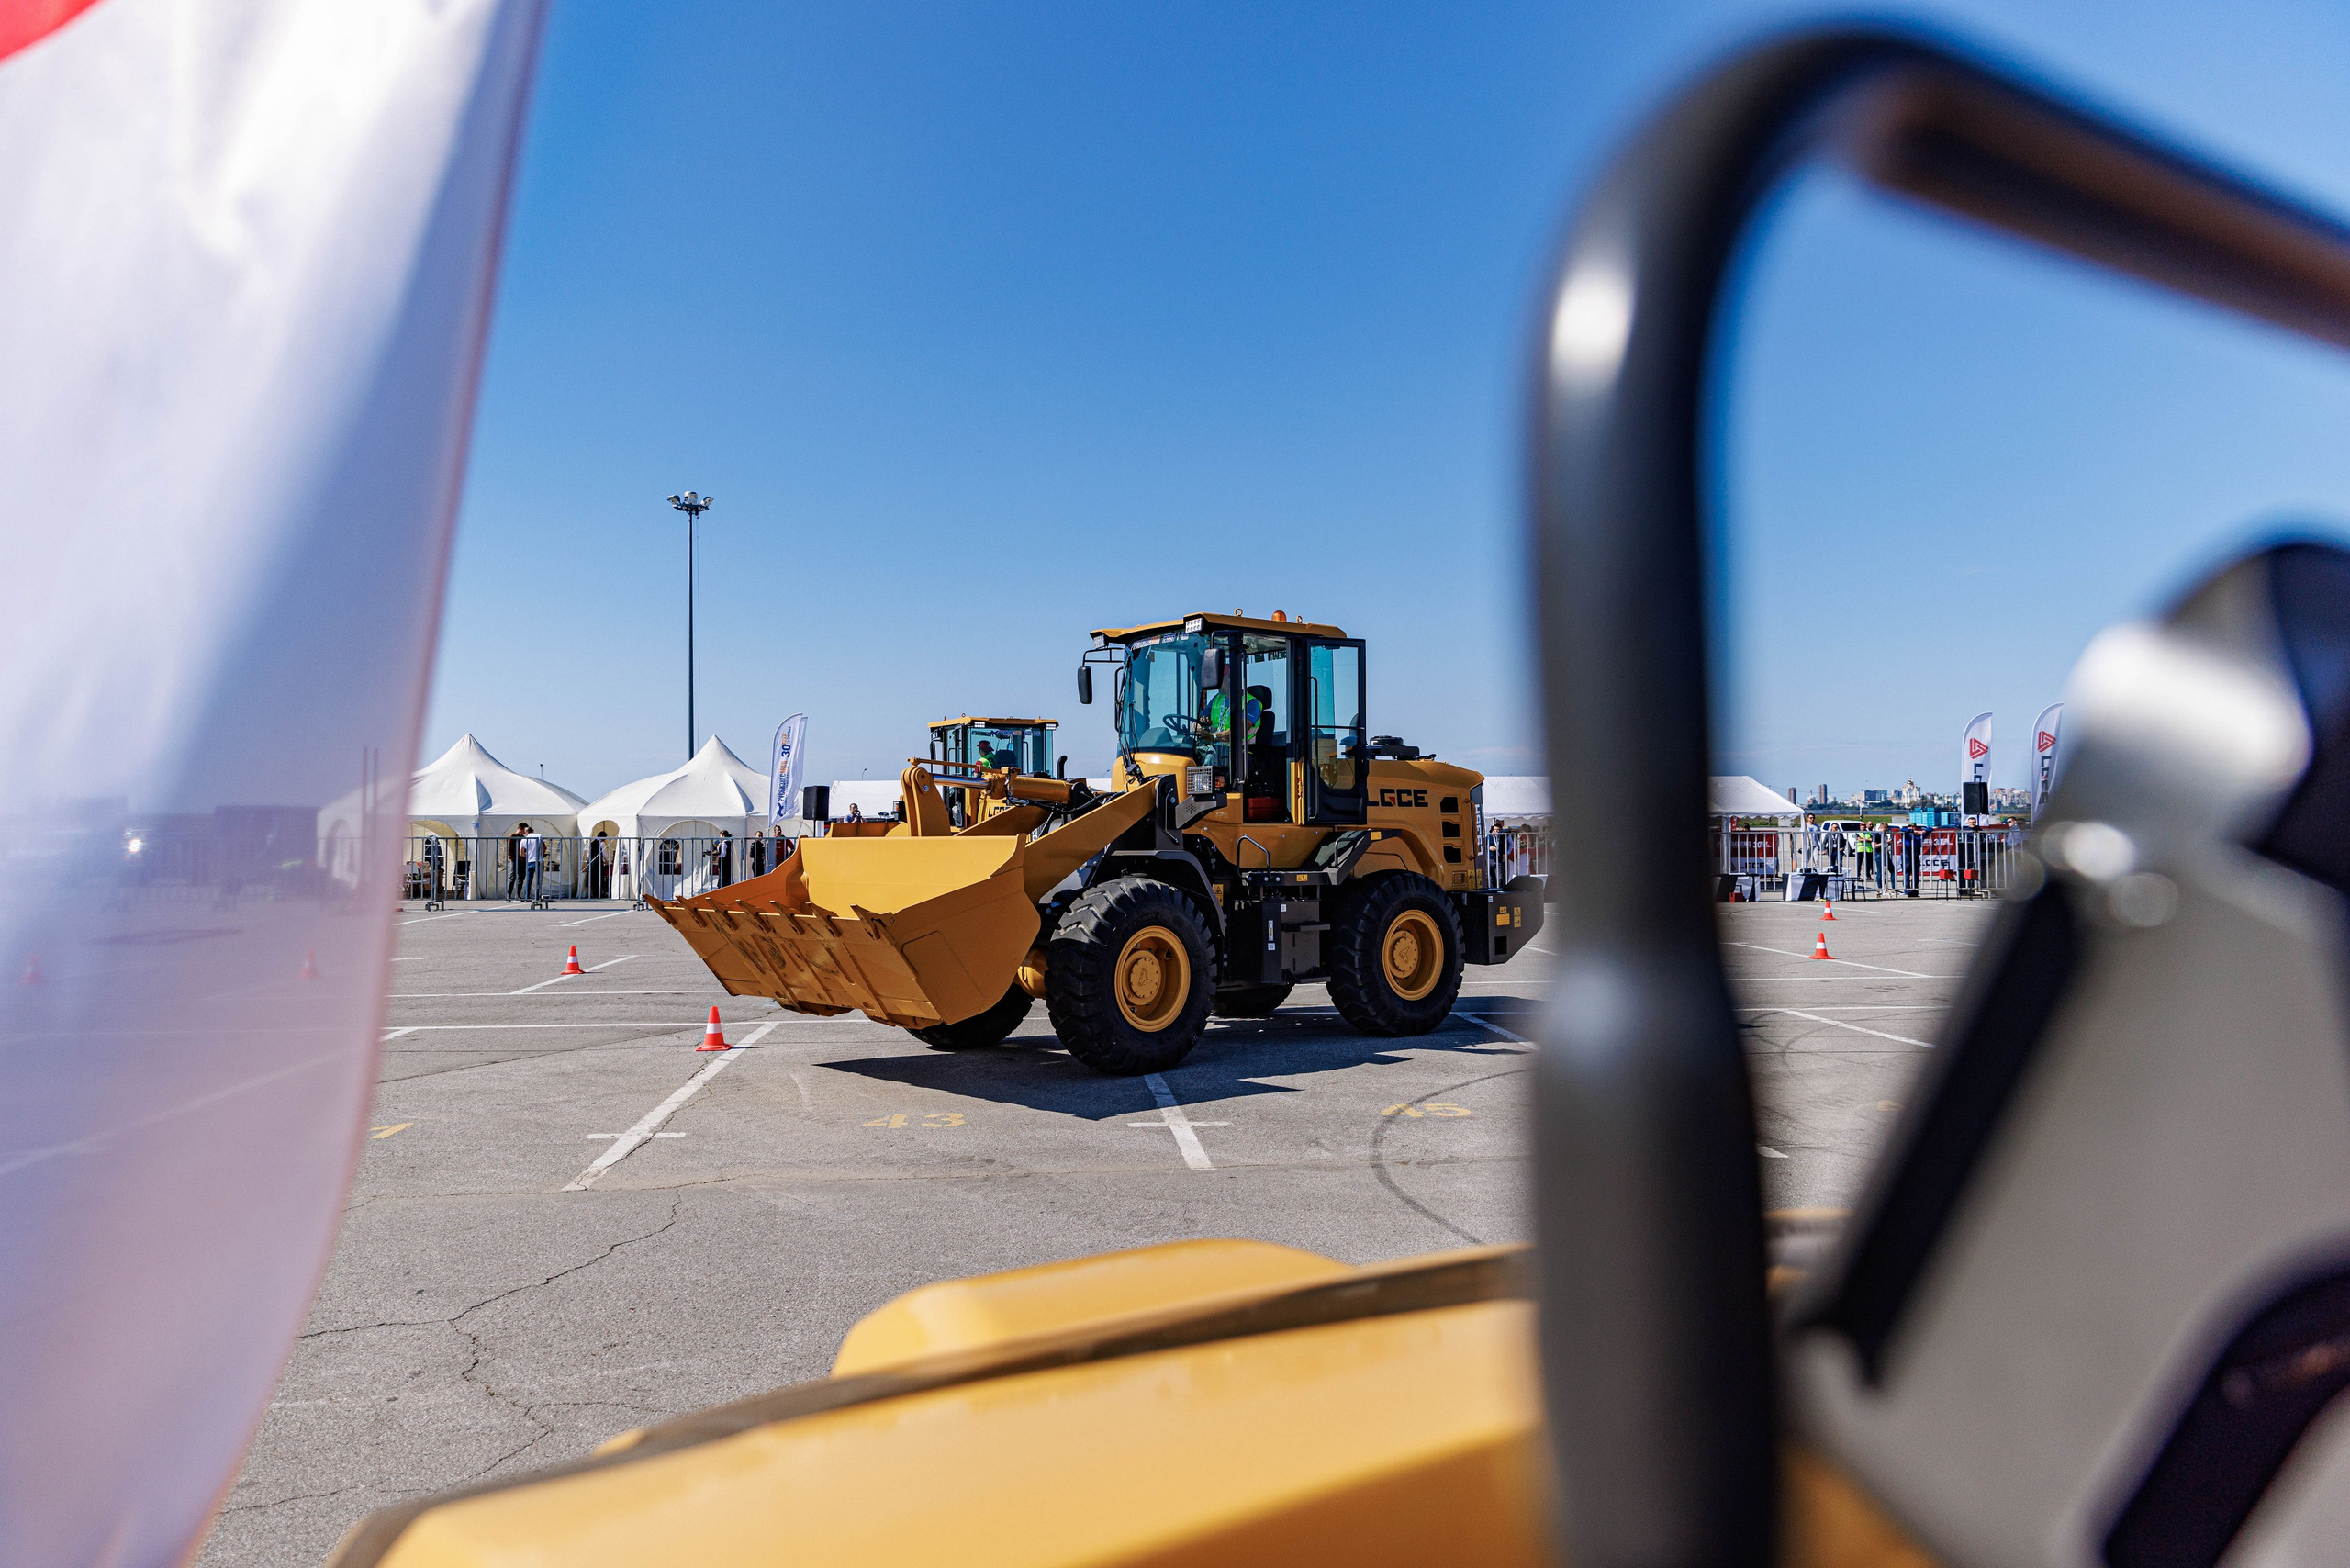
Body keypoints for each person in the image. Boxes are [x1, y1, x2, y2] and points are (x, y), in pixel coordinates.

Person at [518, 823, 543, 902]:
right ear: (533, 831)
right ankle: (537, 896)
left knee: (528, 880)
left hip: (529, 861)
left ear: (526, 832)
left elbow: (521, 853)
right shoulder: (539, 836)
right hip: (539, 860)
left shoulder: (524, 839)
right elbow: (542, 849)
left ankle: (526, 896)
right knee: (539, 880)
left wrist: (528, 855)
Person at [504, 823, 525, 900]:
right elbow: (509, 848)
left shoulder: (523, 838)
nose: (525, 832)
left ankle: (518, 895)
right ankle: (508, 895)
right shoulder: (512, 836)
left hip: (523, 860)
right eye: (524, 830)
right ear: (520, 829)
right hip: (515, 860)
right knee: (512, 877)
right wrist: (512, 858)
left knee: (521, 878)